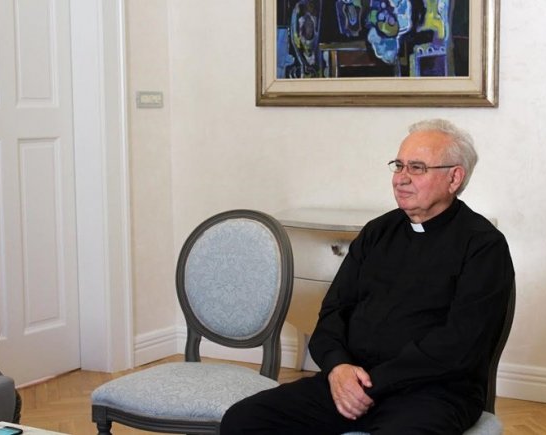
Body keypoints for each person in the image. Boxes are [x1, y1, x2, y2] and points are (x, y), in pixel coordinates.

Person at [220, 119, 515, 434]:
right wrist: (338, 367)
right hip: (349, 381)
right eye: (398, 166)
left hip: (433, 394)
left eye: (417, 168)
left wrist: (373, 383)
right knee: (244, 420)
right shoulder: (377, 232)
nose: (401, 179)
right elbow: (333, 311)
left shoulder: (483, 245)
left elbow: (460, 344)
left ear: (454, 177)